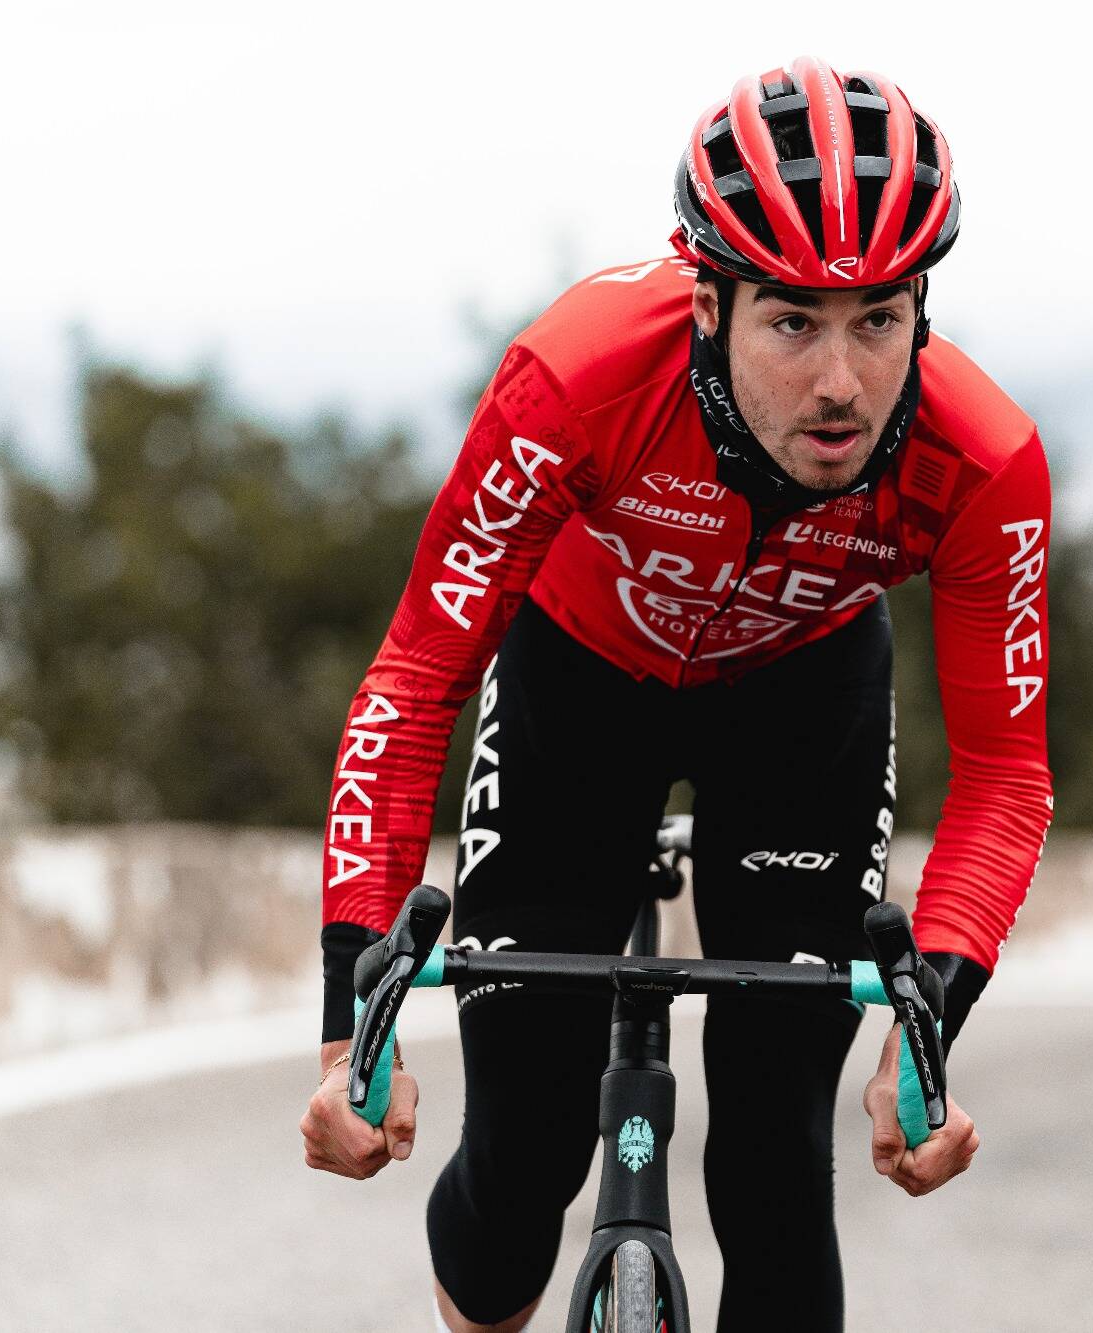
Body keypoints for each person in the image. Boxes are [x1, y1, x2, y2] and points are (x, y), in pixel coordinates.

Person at [298, 56, 1053, 1332]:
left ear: (921, 306)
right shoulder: (575, 379)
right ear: (708, 303)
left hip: (802, 711)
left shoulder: (981, 463)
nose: (839, 381)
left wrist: (923, 1034)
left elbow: (1004, 774)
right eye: (792, 322)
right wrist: (346, 1031)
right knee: (524, 1148)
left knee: (775, 1169)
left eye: (878, 321)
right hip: (576, 688)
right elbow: (418, 678)